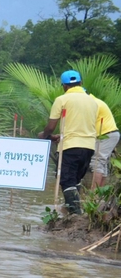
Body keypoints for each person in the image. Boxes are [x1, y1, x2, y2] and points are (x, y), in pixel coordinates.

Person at [38, 70, 99, 213]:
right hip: (89, 146)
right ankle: (72, 211)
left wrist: (45, 135)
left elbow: (51, 126)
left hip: (70, 146)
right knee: (75, 179)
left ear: (64, 86)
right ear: (81, 83)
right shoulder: (93, 101)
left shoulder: (62, 100)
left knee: (66, 180)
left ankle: (75, 214)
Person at [90, 91, 119, 188]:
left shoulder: (93, 103)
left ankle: (93, 196)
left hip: (106, 134)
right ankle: (99, 195)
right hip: (110, 134)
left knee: (96, 162)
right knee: (102, 163)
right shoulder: (95, 101)